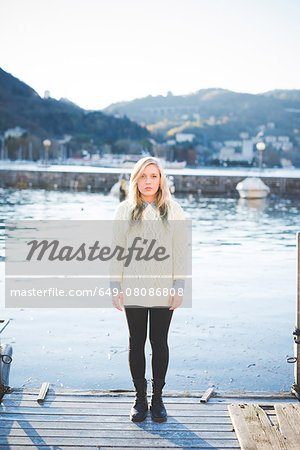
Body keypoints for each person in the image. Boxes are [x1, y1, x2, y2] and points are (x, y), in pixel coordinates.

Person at [110, 156, 187, 423]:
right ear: (135, 180)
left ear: (161, 180)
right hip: (133, 286)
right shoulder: (124, 210)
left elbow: (180, 251)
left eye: (153, 176)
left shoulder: (174, 210)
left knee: (159, 341)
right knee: (136, 342)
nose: (148, 182)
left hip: (165, 288)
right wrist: (114, 285)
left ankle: (158, 398)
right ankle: (139, 398)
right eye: (143, 176)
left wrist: (180, 286)